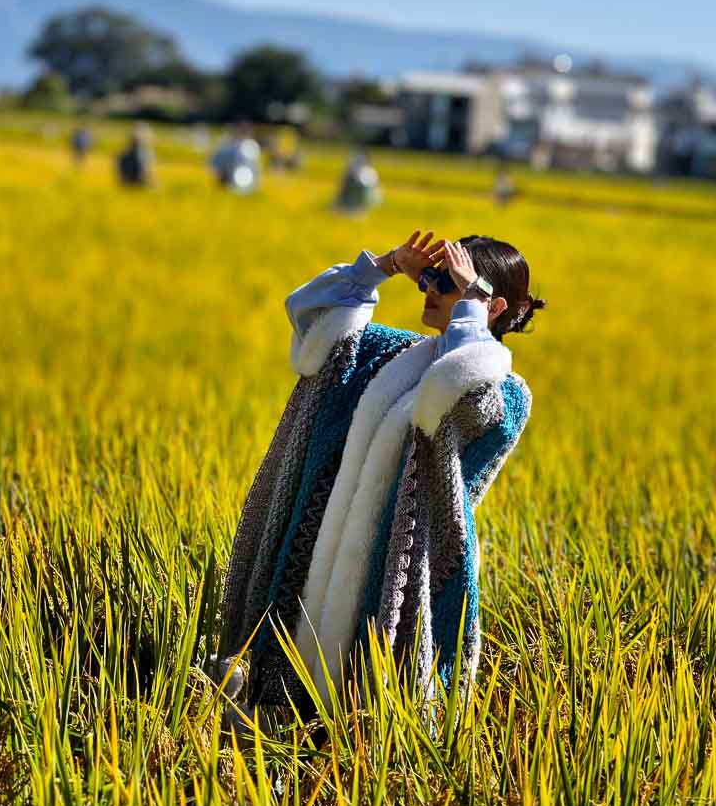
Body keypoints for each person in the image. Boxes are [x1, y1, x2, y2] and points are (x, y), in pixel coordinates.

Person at [209, 230, 546, 730]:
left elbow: (455, 401)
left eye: (448, 283)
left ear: (490, 307)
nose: (431, 290)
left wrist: (470, 306)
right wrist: (383, 267)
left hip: (402, 565)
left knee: (373, 717)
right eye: (431, 278)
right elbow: (317, 329)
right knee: (289, 694)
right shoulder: (395, 353)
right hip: (320, 555)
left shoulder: (507, 395)